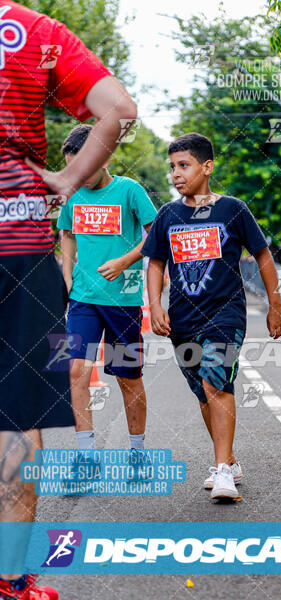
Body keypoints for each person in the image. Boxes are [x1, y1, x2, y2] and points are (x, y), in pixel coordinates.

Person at [0, 1, 137, 598]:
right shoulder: (32, 30)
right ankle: (10, 581)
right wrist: (66, 178)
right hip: (16, 246)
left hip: (93, 291)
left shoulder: (131, 195)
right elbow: (120, 110)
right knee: (14, 423)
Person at [141, 132, 281, 501]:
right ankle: (230, 459)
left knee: (215, 382)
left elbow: (263, 256)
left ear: (207, 167)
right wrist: (155, 305)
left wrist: (276, 305)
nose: (176, 173)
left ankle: (222, 471)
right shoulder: (168, 215)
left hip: (226, 314)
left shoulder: (233, 209)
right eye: (172, 166)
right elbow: (156, 262)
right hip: (183, 319)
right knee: (204, 393)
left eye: (184, 165)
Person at [57, 124, 157, 452]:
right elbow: (67, 234)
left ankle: (137, 451)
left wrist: (125, 261)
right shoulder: (72, 194)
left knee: (127, 378)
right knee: (76, 371)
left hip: (123, 300)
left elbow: (156, 235)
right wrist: (67, 275)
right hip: (84, 299)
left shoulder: (129, 190)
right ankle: (85, 456)